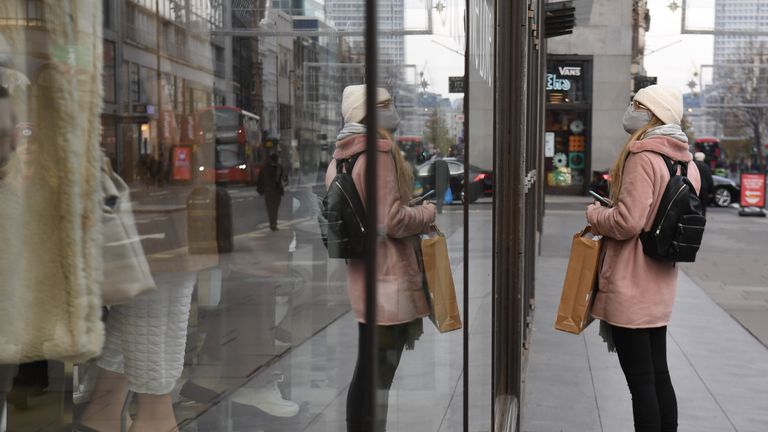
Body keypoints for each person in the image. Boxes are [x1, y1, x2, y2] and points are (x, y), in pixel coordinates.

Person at [585, 84, 701, 432]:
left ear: (653, 115)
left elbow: (627, 222)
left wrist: (595, 214)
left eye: (637, 104)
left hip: (629, 284)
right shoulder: (687, 165)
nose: (630, 109)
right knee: (658, 375)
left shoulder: (643, 158)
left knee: (641, 383)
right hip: (660, 283)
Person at [326, 85, 437, 432]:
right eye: (386, 104)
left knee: (366, 372)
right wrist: (427, 213)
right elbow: (392, 221)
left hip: (361, 278)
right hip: (389, 279)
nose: (393, 110)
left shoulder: (341, 157)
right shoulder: (378, 153)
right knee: (379, 379)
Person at [257, 152, 286, 231]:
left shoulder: (264, 168)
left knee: (270, 208)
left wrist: (260, 190)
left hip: (268, 191)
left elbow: (260, 180)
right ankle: (274, 223)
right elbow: (285, 179)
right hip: (277, 191)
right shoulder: (280, 168)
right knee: (275, 208)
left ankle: (272, 223)